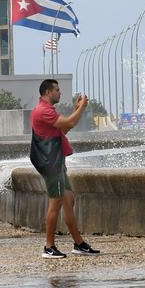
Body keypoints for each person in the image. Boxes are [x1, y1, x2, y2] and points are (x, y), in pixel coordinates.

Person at [29, 79, 99, 258]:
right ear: (47, 92)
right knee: (56, 203)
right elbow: (68, 123)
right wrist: (81, 108)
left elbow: (63, 130)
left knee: (68, 200)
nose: (60, 93)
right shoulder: (43, 111)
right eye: (57, 90)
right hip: (51, 164)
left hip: (57, 162)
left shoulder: (47, 111)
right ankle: (49, 247)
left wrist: (76, 110)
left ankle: (79, 243)